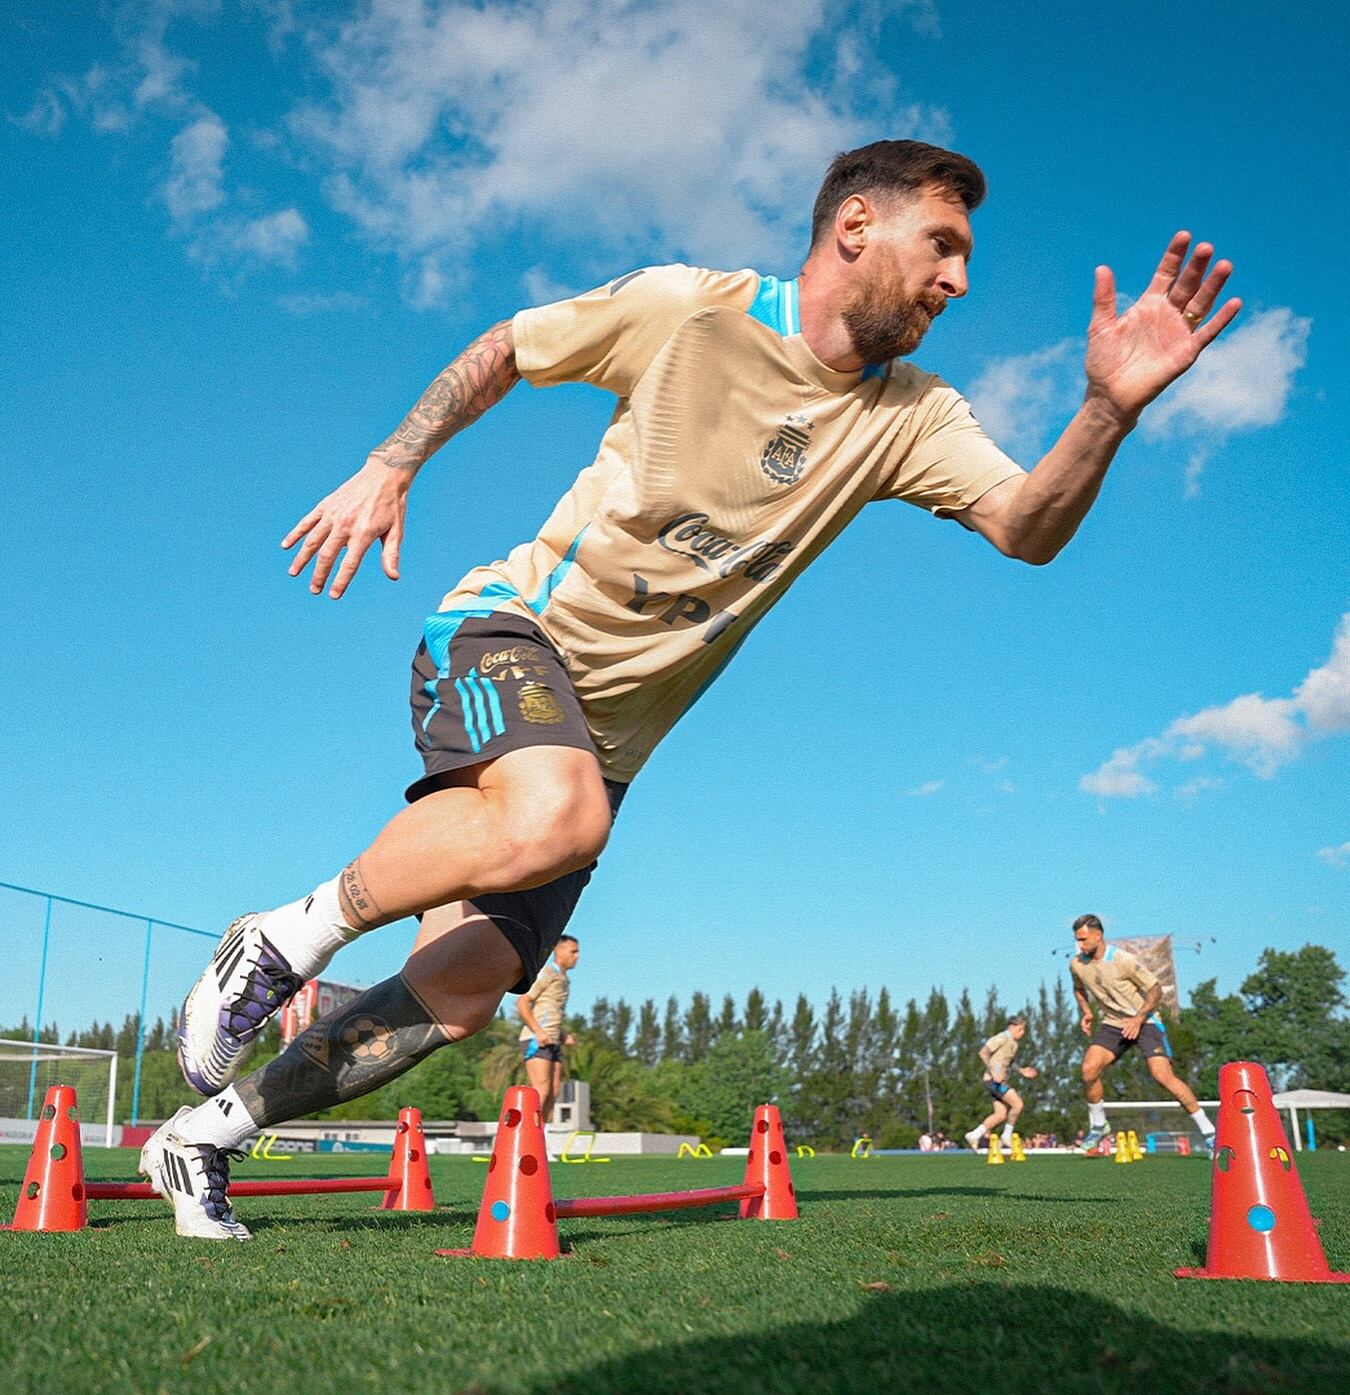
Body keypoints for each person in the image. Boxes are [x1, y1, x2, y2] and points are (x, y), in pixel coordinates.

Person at [136, 138, 1240, 1238]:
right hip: (507, 631)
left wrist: (1107, 412)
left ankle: (206, 1138)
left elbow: (1024, 529)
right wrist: (392, 461)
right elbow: (512, 348)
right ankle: (281, 942)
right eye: (943, 246)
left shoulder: (913, 415)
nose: (960, 281)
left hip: (600, 747)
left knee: (466, 990)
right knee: (557, 815)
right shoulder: (690, 309)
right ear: (856, 226)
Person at [1069, 914, 1216, 1152]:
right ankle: (1098, 1124)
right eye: (1077, 940)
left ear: (1098, 935)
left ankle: (1210, 1132)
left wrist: (1138, 1018)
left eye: (1084, 940)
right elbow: (1078, 989)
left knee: (1162, 1076)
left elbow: (1155, 989)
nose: (1080, 945)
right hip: (1113, 1024)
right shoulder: (1077, 964)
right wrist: (1087, 1012)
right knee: (1088, 1070)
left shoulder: (1122, 960)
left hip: (1145, 1020)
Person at [516, 934, 579, 1122]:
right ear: (558, 951)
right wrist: (539, 1031)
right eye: (573, 951)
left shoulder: (563, 979)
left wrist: (562, 1035)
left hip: (552, 1041)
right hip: (535, 1040)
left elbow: (550, 1012)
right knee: (540, 1090)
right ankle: (525, 1140)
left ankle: (542, 1142)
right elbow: (523, 1002)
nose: (577, 956)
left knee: (553, 1092)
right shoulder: (547, 973)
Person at [963, 1014, 1038, 1152]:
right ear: (1013, 1027)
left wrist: (1022, 1071)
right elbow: (983, 1052)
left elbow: (1009, 1061)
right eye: (1021, 1029)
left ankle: (974, 1135)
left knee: (1000, 1115)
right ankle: (1006, 1135)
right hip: (993, 1081)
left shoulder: (1014, 1044)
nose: (1023, 1033)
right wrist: (993, 1072)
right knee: (1018, 1104)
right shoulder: (1002, 1037)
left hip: (997, 1081)